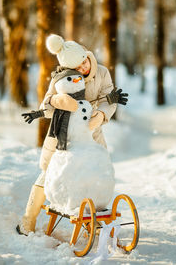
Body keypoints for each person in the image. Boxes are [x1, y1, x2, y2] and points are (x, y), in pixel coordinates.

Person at [17, 34, 124, 235]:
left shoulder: (101, 72)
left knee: (94, 174)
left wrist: (100, 115)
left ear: (86, 55)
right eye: (78, 68)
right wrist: (58, 101)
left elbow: (109, 99)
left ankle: (93, 218)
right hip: (63, 135)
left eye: (84, 62)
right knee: (49, 173)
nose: (83, 69)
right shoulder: (63, 77)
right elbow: (46, 105)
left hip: (92, 134)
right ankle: (28, 219)